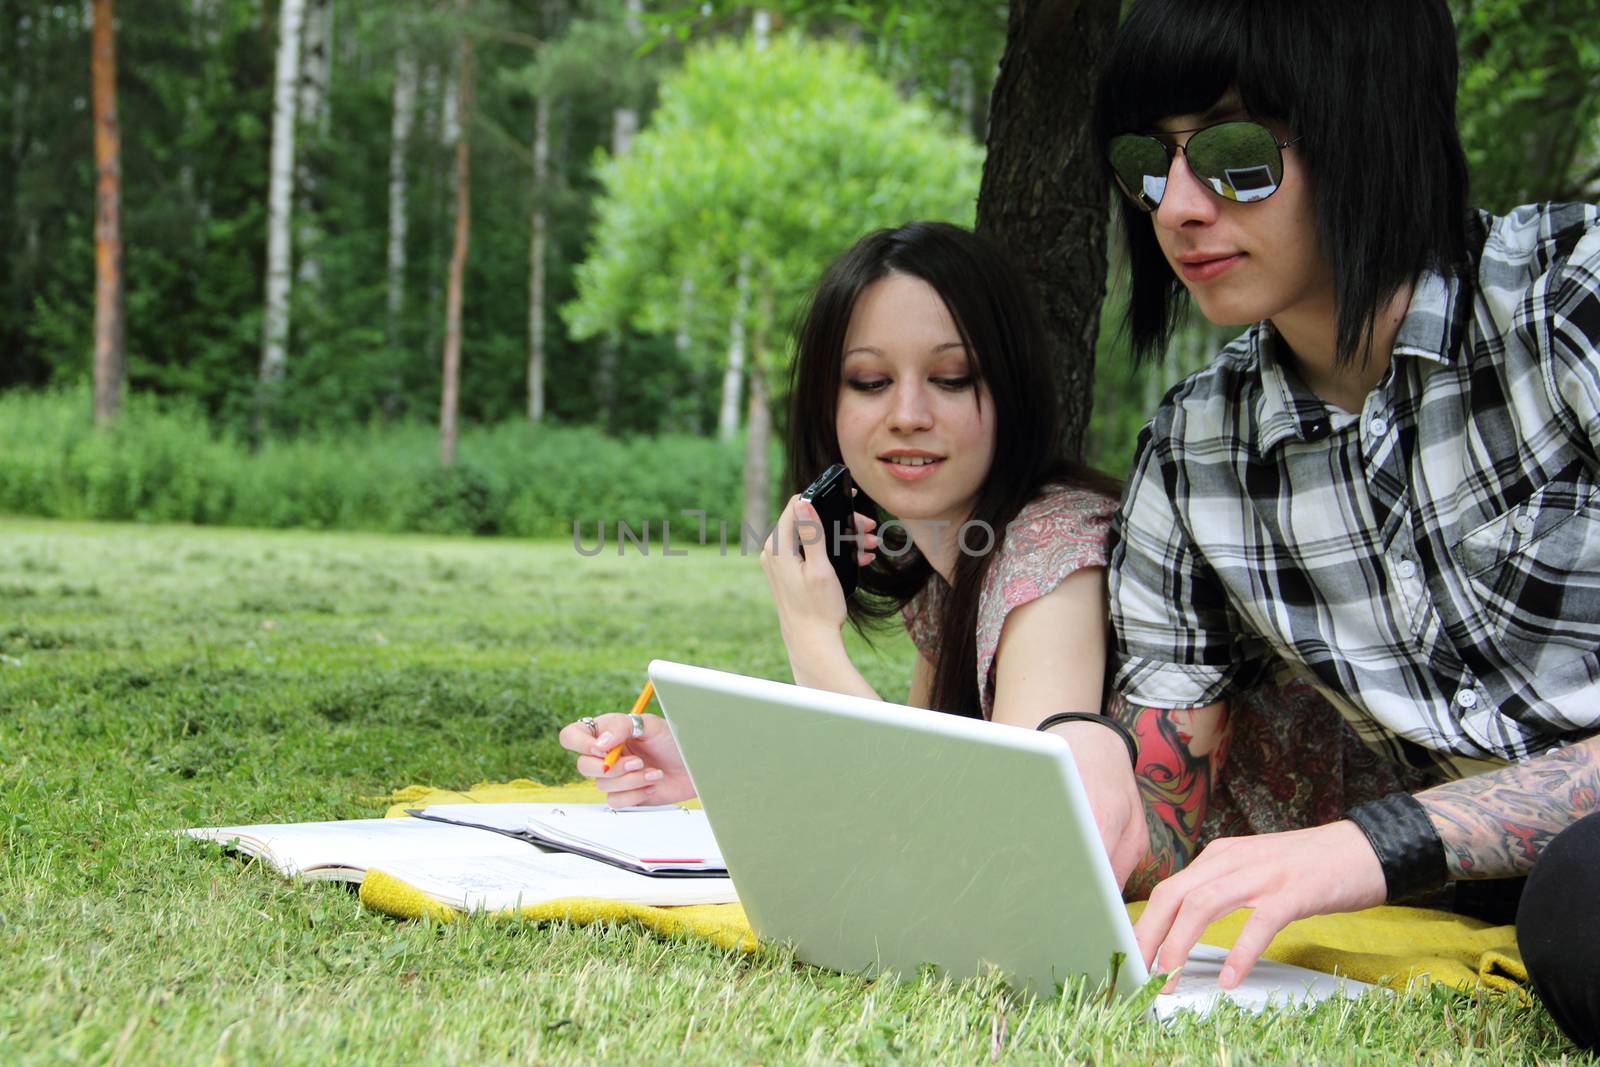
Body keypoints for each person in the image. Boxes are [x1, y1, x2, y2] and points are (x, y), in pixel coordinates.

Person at [559, 221, 1415, 901]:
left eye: (953, 377)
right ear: (827, 403)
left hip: (1365, 871)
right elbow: (915, 767)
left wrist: (813, 637)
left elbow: (993, 847)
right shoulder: (952, 564)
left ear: (1008, 388)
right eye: (868, 381)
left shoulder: (1056, 553)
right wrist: (711, 760)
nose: (907, 413)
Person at [1093, 0, 1599, 1048]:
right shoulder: (1195, 457)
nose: (1177, 206)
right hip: (1498, 902)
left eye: (1234, 154)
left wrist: (1373, 842)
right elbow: (1158, 810)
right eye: (1150, 163)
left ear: (1371, 128)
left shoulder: (1567, 305)